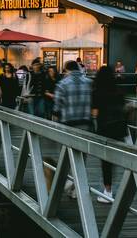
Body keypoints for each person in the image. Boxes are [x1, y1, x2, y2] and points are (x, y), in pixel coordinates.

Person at [53, 60, 93, 198]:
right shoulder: (89, 82)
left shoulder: (62, 84)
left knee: (66, 157)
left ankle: (69, 182)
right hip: (85, 124)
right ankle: (77, 189)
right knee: (81, 159)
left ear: (66, 70)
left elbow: (57, 107)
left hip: (68, 124)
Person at [91, 65, 129, 203]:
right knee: (115, 159)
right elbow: (125, 108)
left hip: (104, 129)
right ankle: (121, 187)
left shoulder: (97, 92)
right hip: (119, 129)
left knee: (106, 162)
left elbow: (95, 113)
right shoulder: (119, 91)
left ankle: (108, 191)